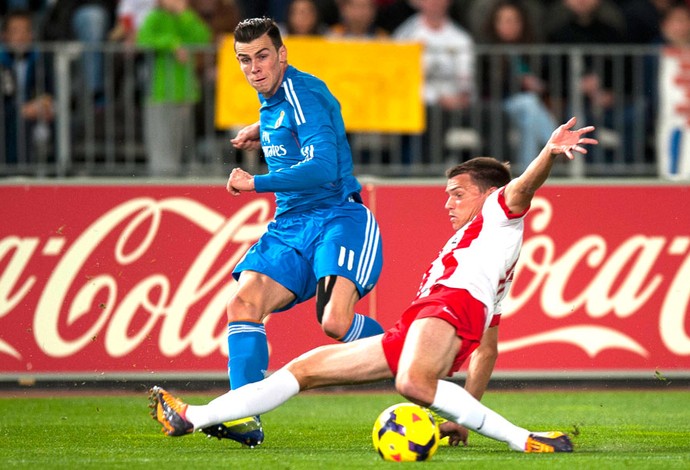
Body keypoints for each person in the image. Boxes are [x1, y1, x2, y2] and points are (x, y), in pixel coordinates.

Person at [149, 117, 598, 453]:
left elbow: (522, 187)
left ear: (487, 193)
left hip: (445, 309)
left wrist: (549, 152)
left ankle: (524, 440)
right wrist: (462, 418)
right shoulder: (482, 246)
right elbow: (487, 346)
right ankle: (192, 417)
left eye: (457, 193)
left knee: (414, 385)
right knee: (306, 368)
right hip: (428, 318)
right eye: (446, 194)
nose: (448, 203)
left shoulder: (500, 211)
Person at [207, 17, 385, 447]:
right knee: (243, 304)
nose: (254, 67)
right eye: (244, 60)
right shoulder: (275, 101)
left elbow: (323, 166)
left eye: (263, 56)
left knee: (335, 322)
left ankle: (418, 355)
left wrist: (256, 182)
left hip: (335, 218)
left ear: (282, 55)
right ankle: (242, 414)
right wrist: (263, 132)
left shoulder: (301, 92)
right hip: (290, 226)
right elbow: (305, 122)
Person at [392, 0, 477, 165]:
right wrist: (437, 97)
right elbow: (401, 79)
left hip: (456, 104)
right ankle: (428, 172)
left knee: (494, 116)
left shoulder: (460, 37)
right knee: (432, 115)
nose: (435, 3)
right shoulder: (405, 35)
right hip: (420, 105)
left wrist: (462, 96)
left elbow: (467, 77)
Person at [135, 0, 212, 177]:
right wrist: (172, 44)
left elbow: (203, 36)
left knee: (182, 144)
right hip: (159, 93)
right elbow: (143, 39)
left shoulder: (186, 18)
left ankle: (179, 182)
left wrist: (184, 14)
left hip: (185, 92)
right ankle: (160, 185)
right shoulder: (155, 17)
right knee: (161, 145)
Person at [481, 0, 557, 174]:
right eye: (506, 21)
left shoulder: (530, 49)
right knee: (529, 103)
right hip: (500, 104)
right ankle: (555, 143)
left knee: (530, 120)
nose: (511, 25)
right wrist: (519, 82)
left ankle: (528, 172)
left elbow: (548, 79)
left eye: (515, 21)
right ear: (495, 24)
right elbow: (489, 86)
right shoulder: (487, 52)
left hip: (531, 108)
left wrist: (539, 85)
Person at [1, 9, 54, 167]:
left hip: (35, 113)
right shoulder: (2, 61)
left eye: (26, 31)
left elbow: (49, 91)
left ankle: (57, 170)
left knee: (63, 120)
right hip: (8, 115)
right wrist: (21, 110)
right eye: (15, 31)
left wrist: (44, 103)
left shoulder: (40, 60)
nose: (21, 37)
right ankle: (15, 170)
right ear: (5, 36)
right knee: (15, 121)